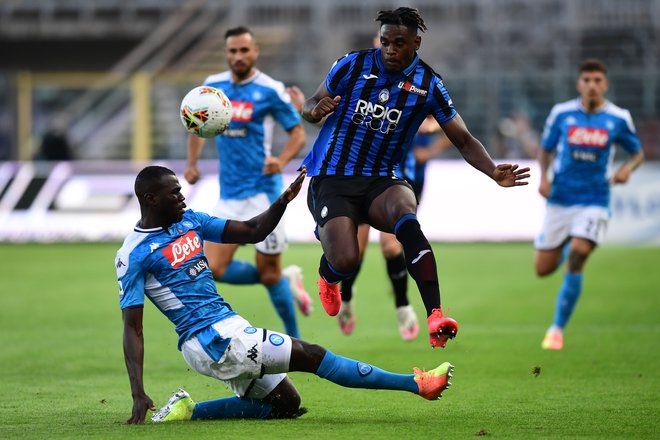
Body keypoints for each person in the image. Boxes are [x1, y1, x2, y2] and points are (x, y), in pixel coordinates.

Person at [117, 165, 454, 424]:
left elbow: (252, 231)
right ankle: (416, 384)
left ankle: (189, 411)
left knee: (285, 405)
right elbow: (133, 327)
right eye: (174, 193)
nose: (182, 198)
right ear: (151, 199)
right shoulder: (134, 254)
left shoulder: (189, 221)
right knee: (313, 354)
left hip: (227, 325)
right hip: (207, 339)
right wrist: (137, 392)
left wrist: (283, 201)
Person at [300, 7, 530, 349]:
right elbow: (312, 101)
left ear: (416, 43)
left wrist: (493, 170)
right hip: (333, 176)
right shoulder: (351, 64)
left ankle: (435, 315)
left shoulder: (429, 85)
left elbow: (463, 139)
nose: (390, 49)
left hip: (382, 180)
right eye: (385, 41)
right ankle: (328, 274)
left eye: (399, 42)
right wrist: (312, 111)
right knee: (346, 260)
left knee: (407, 217)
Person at [184, 26, 311, 339]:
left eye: (244, 50)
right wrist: (192, 163)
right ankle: (286, 279)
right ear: (226, 53)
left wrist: (280, 162)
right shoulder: (212, 88)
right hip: (229, 194)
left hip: (263, 195)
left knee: (268, 274)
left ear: (255, 52)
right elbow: (197, 126)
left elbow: (297, 133)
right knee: (214, 269)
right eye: (232, 51)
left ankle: (295, 338)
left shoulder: (270, 90)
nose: (238, 56)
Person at [535, 58, 644, 350]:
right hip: (560, 198)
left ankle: (556, 329)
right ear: (579, 84)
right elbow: (545, 149)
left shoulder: (619, 118)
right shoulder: (562, 113)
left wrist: (626, 170)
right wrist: (543, 179)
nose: (592, 85)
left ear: (605, 84)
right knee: (543, 269)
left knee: (579, 254)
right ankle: (571, 240)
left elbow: (637, 153)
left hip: (595, 198)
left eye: (598, 80)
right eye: (587, 80)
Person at [338, 117, 453, 341]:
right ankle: (347, 299)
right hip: (363, 179)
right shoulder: (371, 102)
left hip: (399, 184)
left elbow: (447, 125)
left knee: (391, 246)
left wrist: (428, 150)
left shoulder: (415, 100)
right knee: (356, 251)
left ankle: (403, 307)